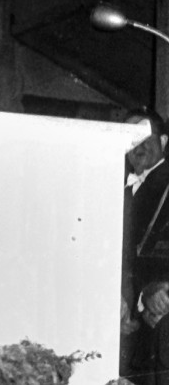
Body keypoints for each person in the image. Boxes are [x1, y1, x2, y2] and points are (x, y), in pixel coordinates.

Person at [119, 108, 169, 383]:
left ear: (163, 142)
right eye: (130, 138)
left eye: (145, 137)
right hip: (132, 332)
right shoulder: (117, 189)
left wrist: (156, 292)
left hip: (160, 326)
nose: (137, 145)